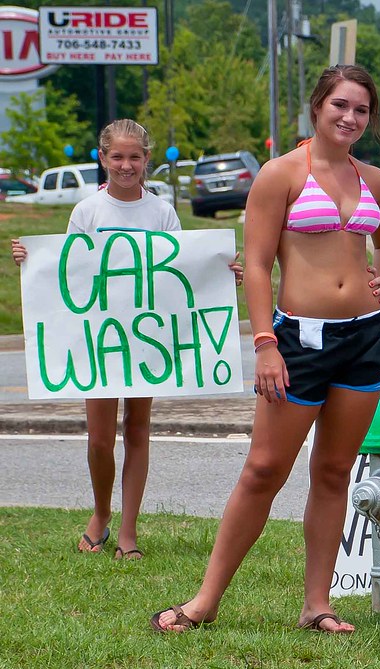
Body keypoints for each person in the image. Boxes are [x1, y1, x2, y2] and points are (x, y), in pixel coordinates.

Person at [151, 64, 380, 634]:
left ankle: (318, 605)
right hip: (298, 341)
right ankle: (204, 602)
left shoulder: (375, 179)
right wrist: (265, 344)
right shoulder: (279, 174)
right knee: (264, 468)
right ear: (317, 106)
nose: (350, 117)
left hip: (365, 339)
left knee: (335, 470)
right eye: (340, 105)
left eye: (361, 110)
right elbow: (259, 264)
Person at [10, 119, 243, 562]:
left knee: (138, 430)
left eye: (134, 156)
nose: (126, 164)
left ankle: (129, 532)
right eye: (117, 156)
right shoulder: (87, 212)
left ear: (146, 160)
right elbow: (67, 275)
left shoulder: (161, 213)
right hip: (99, 341)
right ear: (102, 158)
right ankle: (100, 514)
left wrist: (220, 275)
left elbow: (182, 273)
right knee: (99, 438)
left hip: (146, 339)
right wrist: (30, 260)